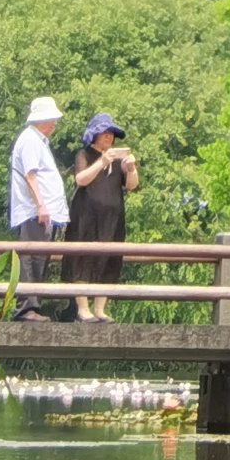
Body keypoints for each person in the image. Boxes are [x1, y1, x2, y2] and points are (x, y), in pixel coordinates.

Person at [64, 114, 137, 319]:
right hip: (86, 216)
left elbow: (131, 185)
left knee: (109, 260)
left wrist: (131, 168)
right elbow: (81, 179)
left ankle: (100, 309)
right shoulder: (84, 154)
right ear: (94, 135)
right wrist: (101, 162)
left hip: (112, 218)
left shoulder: (117, 159)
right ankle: (83, 309)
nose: (108, 138)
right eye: (104, 134)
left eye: (111, 134)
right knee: (82, 259)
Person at [7, 95, 69, 318]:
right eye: (51, 118)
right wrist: (41, 205)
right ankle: (26, 307)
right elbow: (30, 176)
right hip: (35, 212)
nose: (54, 123)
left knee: (40, 257)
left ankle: (33, 306)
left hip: (41, 213)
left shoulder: (38, 141)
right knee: (32, 257)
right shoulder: (30, 140)